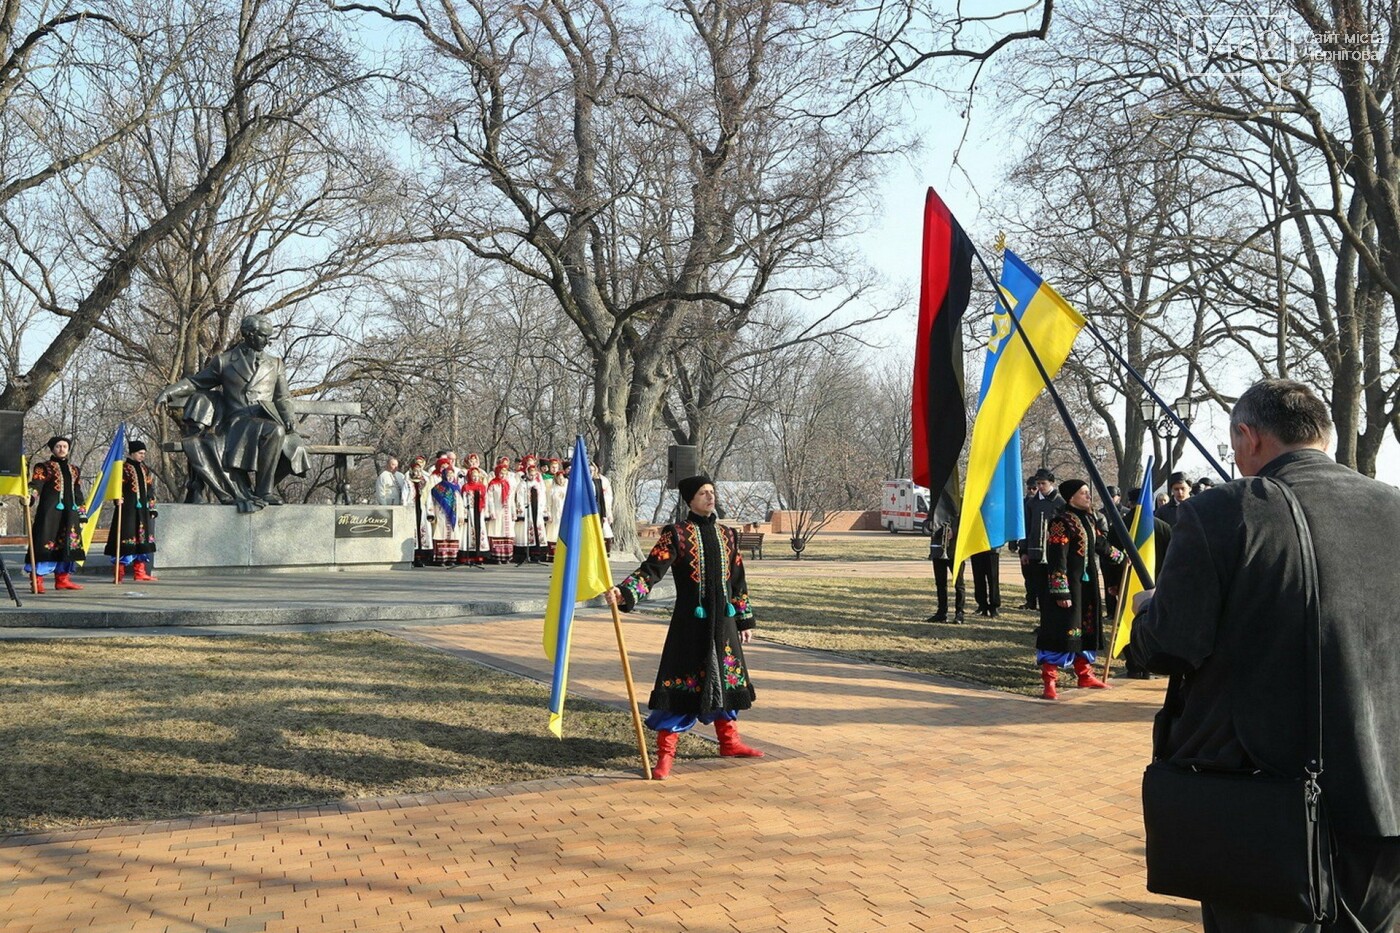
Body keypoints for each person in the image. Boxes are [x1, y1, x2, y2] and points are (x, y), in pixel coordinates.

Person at [1128, 379, 1400, 932]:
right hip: (1387, 797)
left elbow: (1170, 646)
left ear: (1247, 436)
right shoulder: (1393, 505)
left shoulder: (1222, 511)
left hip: (1265, 802)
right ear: (1322, 435)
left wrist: (1147, 610)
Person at [605, 475, 762, 780]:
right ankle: (665, 756)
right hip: (690, 625)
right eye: (703, 493)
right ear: (690, 499)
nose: (710, 497)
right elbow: (652, 569)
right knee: (682, 687)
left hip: (724, 624)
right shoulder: (676, 534)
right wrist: (625, 592)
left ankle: (730, 743)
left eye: (712, 492)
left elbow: (738, 581)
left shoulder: (728, 535)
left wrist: (744, 620)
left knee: (727, 684)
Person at [154, 314, 309, 511]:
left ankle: (261, 489)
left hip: (266, 417)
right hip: (237, 422)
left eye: (269, 337)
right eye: (263, 336)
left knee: (291, 443)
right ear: (248, 334)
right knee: (275, 432)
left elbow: (282, 397)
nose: (267, 341)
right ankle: (263, 490)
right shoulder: (225, 361)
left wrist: (289, 417)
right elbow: (195, 382)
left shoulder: (276, 363)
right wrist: (168, 392)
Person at [1036, 479, 1125, 700]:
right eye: (1083, 493)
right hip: (1069, 585)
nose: (1088, 497)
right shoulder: (1060, 522)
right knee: (1061, 628)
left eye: (1088, 493)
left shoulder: (1088, 518)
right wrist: (1060, 591)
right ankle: (1050, 681)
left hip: (1087, 584)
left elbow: (1101, 545)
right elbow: (1057, 558)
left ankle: (1084, 674)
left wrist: (1123, 558)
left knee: (1086, 627)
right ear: (1071, 497)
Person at [25, 436, 87, 592]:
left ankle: (63, 579)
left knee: (68, 543)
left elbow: (77, 492)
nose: (61, 449)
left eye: (65, 446)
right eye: (58, 446)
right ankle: (37, 580)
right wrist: (30, 497)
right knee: (44, 543)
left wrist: (81, 512)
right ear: (52, 449)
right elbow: (36, 484)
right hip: (50, 513)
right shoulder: (43, 467)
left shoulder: (74, 470)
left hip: (70, 513)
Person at [104, 440, 158, 582]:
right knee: (125, 539)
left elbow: (150, 489)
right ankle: (119, 573)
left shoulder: (144, 469)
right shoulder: (123, 468)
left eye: (144, 454)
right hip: (127, 510)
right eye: (140, 453)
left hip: (142, 511)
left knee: (142, 539)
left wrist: (152, 507)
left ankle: (139, 572)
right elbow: (116, 486)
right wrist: (117, 498)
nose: (142, 456)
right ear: (132, 453)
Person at [1019, 468, 1061, 610]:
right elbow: (1025, 527)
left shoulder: (1060, 503)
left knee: (1052, 589)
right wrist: (1024, 550)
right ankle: (1043, 622)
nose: (1040, 487)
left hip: (1053, 551)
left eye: (1043, 483)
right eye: (1038, 484)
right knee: (1039, 587)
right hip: (1035, 552)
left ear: (1051, 483)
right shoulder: (1031, 504)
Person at [426, 457, 464, 567]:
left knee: (453, 535)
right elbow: (431, 501)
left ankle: (451, 558)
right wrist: (431, 514)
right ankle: (441, 558)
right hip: (441, 514)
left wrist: (462, 516)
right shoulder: (437, 488)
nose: (450, 477)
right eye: (448, 475)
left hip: (454, 514)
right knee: (441, 534)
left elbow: (460, 503)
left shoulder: (456, 488)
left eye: (452, 475)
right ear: (444, 475)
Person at [926, 518, 966, 623]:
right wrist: (929, 525)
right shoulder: (936, 506)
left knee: (959, 584)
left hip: (955, 551)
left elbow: (966, 524)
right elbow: (927, 522)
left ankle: (959, 613)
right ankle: (941, 613)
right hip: (938, 550)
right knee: (940, 583)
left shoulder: (958, 507)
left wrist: (954, 530)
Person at [513, 461, 549, 564]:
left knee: (538, 531)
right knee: (526, 532)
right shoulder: (523, 484)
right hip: (527, 509)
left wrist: (543, 510)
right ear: (527, 473)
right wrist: (521, 512)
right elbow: (519, 498)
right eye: (530, 474)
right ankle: (525, 554)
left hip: (537, 509)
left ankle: (537, 554)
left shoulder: (538, 484)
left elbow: (543, 497)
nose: (532, 477)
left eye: (534, 475)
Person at [457, 466, 490, 567]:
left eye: (476, 476)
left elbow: (486, 500)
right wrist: (464, 514)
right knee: (469, 533)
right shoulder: (466, 487)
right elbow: (462, 502)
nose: (475, 478)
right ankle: (468, 556)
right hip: (470, 511)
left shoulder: (482, 487)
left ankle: (479, 556)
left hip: (479, 512)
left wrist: (486, 513)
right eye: (473, 476)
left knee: (480, 532)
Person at [484, 461, 516, 565]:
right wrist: (491, 511)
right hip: (497, 510)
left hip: (506, 512)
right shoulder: (493, 484)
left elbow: (511, 500)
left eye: (505, 474)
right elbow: (490, 499)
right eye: (501, 473)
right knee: (497, 531)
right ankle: (496, 556)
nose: (503, 475)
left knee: (506, 532)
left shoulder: (508, 484)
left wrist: (513, 512)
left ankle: (506, 556)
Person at [405, 455, 432, 567]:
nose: (417, 472)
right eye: (415, 470)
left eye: (419, 470)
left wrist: (430, 512)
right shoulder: (408, 481)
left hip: (421, 507)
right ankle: (412, 556)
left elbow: (428, 496)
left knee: (422, 531)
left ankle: (421, 556)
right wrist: (404, 509)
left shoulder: (425, 481)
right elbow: (404, 496)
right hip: (411, 508)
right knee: (413, 531)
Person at [545, 467, 569, 561]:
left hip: (564, 514)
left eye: (562, 478)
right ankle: (552, 554)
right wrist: (549, 514)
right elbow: (548, 503)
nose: (560, 480)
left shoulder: (567, 489)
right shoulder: (552, 490)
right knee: (553, 532)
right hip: (555, 514)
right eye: (558, 478)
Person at [969, 547, 1001, 617]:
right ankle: (982, 606)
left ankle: (994, 607)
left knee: (993, 579)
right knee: (978, 578)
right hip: (976, 548)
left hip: (992, 548)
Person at [592, 462, 615, 555]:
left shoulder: (602, 480)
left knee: (604, 529)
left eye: (593, 470)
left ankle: (605, 550)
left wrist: (608, 513)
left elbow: (607, 497)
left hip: (601, 507)